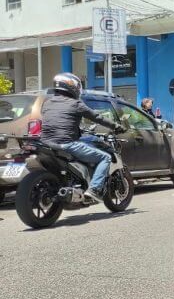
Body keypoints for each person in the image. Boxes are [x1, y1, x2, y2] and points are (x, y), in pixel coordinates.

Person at [40, 72, 121, 202]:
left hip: (45, 142)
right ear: (72, 87)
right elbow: (97, 117)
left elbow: (60, 120)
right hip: (66, 144)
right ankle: (94, 189)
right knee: (104, 157)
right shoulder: (76, 103)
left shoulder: (47, 103)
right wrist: (116, 126)